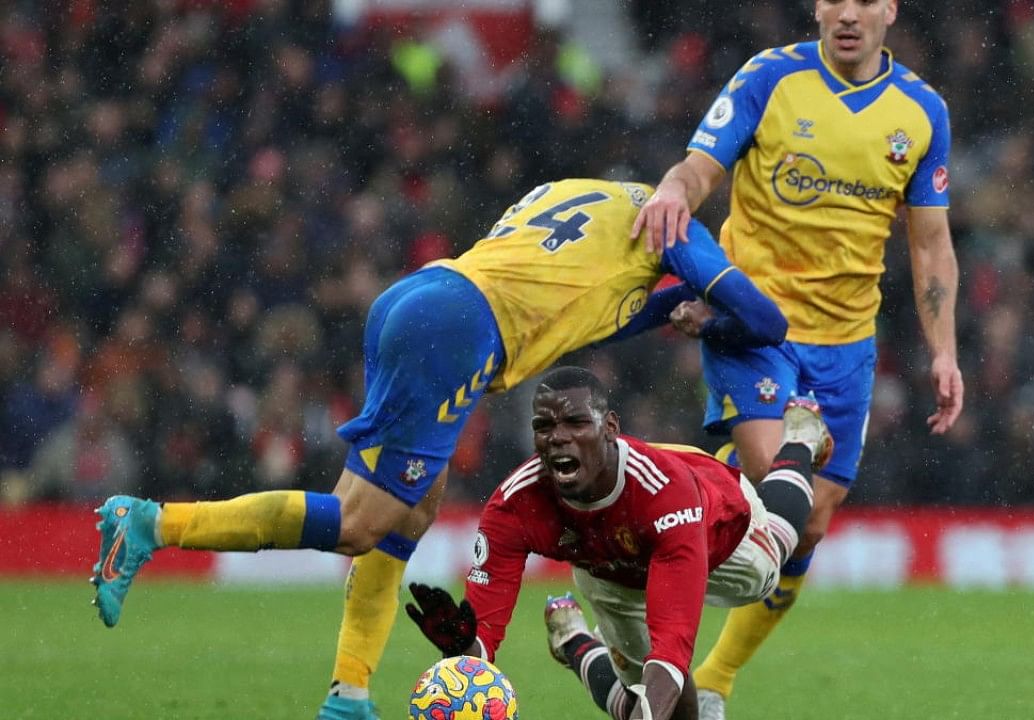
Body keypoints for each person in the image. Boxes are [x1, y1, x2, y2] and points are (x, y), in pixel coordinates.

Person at [88, 178, 790, 720]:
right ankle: (153, 523)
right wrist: (709, 311)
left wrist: (667, 308)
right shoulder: (676, 227)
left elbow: (573, 321)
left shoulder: (580, 196)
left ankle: (350, 692)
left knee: (410, 517)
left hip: (428, 293)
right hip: (463, 331)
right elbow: (767, 319)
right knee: (360, 520)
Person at [629, 1, 963, 715]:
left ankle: (713, 681)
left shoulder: (922, 110)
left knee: (808, 523)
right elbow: (698, 168)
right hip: (754, 323)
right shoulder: (769, 78)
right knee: (779, 479)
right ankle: (655, 530)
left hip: (847, 342)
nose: (848, 13)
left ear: (889, 11)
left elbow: (930, 243)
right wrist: (669, 191)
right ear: (818, 7)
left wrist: (945, 352)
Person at [403, 366, 833, 720]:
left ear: (609, 428)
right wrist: (463, 650)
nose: (558, 437)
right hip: (610, 575)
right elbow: (482, 645)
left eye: (575, 422)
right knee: (644, 707)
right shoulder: (514, 507)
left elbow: (672, 648)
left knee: (778, 549)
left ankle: (798, 438)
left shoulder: (664, 495)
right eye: (544, 426)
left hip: (713, 528)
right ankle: (573, 639)